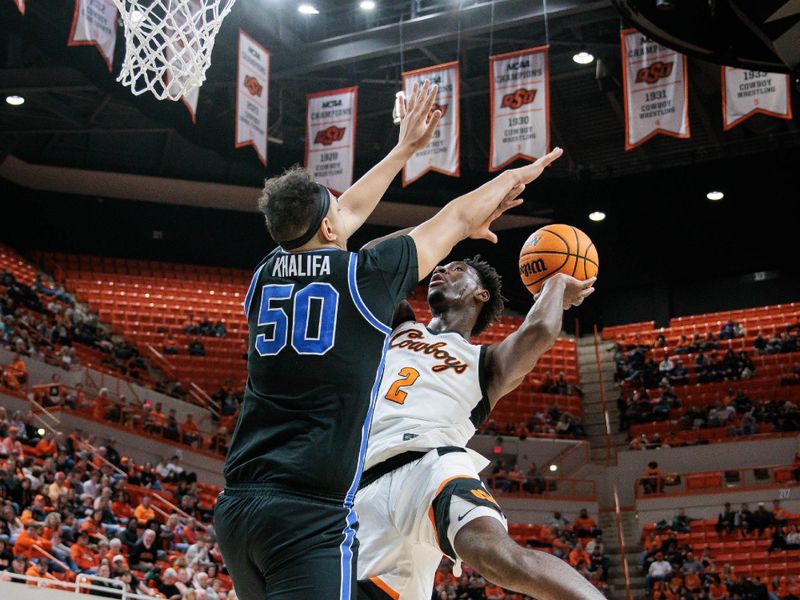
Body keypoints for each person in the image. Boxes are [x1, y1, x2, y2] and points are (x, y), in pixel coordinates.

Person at [215, 78, 564, 600]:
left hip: (239, 504)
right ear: (332, 230)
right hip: (308, 509)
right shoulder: (363, 280)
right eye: (335, 209)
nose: (344, 210)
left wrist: (405, 149)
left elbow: (346, 217)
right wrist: (518, 175)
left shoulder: (265, 274)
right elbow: (455, 217)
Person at [354, 249, 598, 598]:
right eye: (440, 267)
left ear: (480, 294)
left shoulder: (488, 361)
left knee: (499, 558)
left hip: (429, 464)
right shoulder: (400, 326)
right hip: (361, 486)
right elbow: (371, 264)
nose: (441, 270)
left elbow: (541, 328)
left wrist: (556, 283)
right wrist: (442, 235)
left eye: (455, 269)